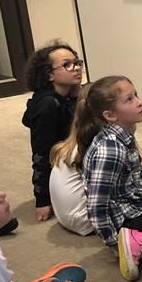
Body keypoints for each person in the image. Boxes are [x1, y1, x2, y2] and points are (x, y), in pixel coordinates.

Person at [80, 75, 142, 281]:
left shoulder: (124, 136)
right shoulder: (111, 150)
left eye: (136, 95)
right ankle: (132, 241)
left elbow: (140, 178)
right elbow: (96, 205)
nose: (140, 102)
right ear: (110, 115)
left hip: (133, 201)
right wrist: (113, 243)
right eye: (129, 100)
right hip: (127, 218)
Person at [21, 41, 83, 222]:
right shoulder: (47, 105)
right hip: (61, 165)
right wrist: (42, 200)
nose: (76, 68)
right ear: (49, 75)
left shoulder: (67, 96)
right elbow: (41, 153)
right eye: (67, 65)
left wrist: (76, 97)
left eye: (77, 62)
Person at [48, 84, 95, 236]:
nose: (139, 102)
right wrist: (130, 134)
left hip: (66, 217)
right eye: (128, 99)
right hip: (85, 220)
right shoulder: (97, 147)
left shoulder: (75, 142)